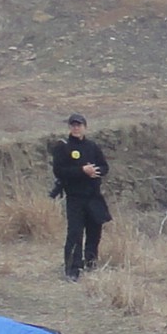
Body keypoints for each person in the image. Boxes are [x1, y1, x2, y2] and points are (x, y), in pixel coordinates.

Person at [49, 113, 110, 280]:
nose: (76, 128)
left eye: (79, 125)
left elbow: (104, 166)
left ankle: (90, 263)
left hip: (93, 196)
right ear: (69, 127)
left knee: (94, 231)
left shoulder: (92, 146)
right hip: (75, 197)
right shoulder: (63, 147)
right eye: (73, 125)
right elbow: (59, 171)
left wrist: (96, 171)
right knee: (75, 233)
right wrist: (82, 171)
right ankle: (72, 269)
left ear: (85, 127)